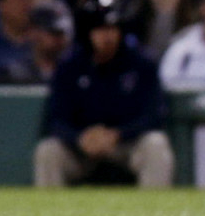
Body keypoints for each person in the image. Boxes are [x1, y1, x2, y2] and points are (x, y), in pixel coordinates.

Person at [37, 15, 173, 188]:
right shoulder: (70, 65)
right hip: (82, 147)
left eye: (112, 29)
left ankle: (157, 212)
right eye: (100, 30)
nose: (107, 36)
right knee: (48, 151)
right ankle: (50, 213)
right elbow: (54, 120)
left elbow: (154, 116)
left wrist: (117, 134)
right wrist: (79, 138)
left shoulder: (141, 63)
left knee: (155, 144)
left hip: (127, 144)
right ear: (89, 33)